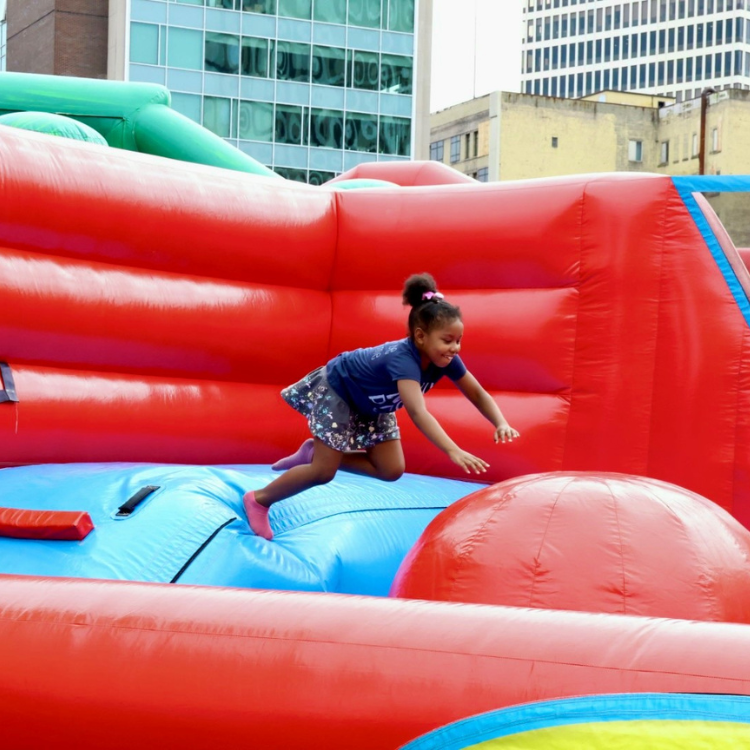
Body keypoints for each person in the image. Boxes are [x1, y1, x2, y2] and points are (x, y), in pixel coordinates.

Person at [244, 272, 520, 540]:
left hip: (373, 402)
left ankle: (313, 452)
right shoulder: (403, 360)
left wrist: (500, 422)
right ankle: (259, 500)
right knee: (322, 472)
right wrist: (452, 449)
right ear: (421, 336)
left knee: (390, 469)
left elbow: (477, 393)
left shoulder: (445, 360)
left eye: (458, 340)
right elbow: (417, 411)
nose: (455, 348)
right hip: (340, 390)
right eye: (447, 341)